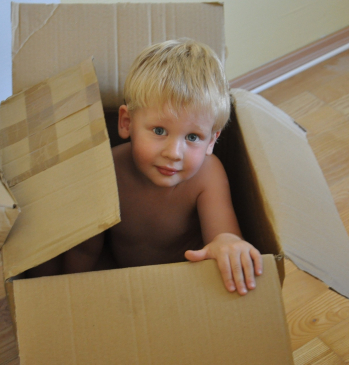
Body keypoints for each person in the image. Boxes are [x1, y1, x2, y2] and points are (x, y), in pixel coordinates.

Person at [28, 39, 262, 296]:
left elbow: (224, 235)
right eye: (159, 131)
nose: (173, 153)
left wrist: (228, 243)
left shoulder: (208, 175)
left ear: (211, 141)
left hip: (184, 285)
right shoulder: (108, 169)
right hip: (121, 275)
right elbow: (85, 246)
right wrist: (69, 289)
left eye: (193, 137)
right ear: (126, 122)